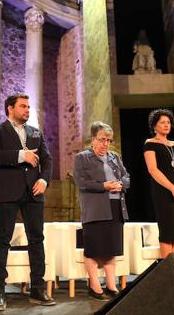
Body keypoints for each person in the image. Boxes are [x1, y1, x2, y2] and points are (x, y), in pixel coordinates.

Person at [0, 93, 55, 311]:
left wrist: (44, 179)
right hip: (8, 192)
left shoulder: (36, 132)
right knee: (2, 240)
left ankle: (37, 288)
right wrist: (20, 155)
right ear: (10, 108)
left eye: (28, 107)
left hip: (34, 193)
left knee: (36, 239)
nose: (27, 110)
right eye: (23, 106)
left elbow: (47, 160)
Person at [73, 122, 130, 301]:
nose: (105, 144)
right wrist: (103, 186)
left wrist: (121, 184)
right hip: (95, 209)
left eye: (108, 140)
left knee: (111, 248)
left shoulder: (114, 157)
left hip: (115, 207)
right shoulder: (82, 158)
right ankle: (95, 285)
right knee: (94, 249)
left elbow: (126, 177)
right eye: (102, 139)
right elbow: (81, 183)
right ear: (93, 139)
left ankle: (111, 285)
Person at [143, 109, 174, 258]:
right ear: (154, 126)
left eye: (168, 122)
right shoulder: (150, 143)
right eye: (162, 122)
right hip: (164, 190)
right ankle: (168, 272)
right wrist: (173, 189)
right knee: (167, 232)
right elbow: (153, 170)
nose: (166, 125)